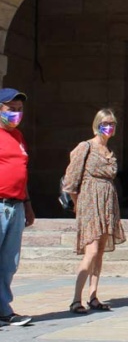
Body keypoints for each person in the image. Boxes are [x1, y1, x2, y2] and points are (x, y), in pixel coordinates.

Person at [62, 108, 126, 314]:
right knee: (90, 251)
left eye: (112, 124)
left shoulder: (109, 151)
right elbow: (71, 179)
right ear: (96, 124)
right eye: (104, 123)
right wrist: (78, 204)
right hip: (90, 201)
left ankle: (93, 295)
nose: (108, 127)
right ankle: (75, 299)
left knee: (99, 252)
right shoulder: (86, 146)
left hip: (107, 202)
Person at [0, 88, 33, 327]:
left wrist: (28, 205)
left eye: (19, 110)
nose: (16, 114)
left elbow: (21, 174)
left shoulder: (19, 137)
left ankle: (3, 310)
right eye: (11, 109)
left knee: (9, 263)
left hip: (16, 206)